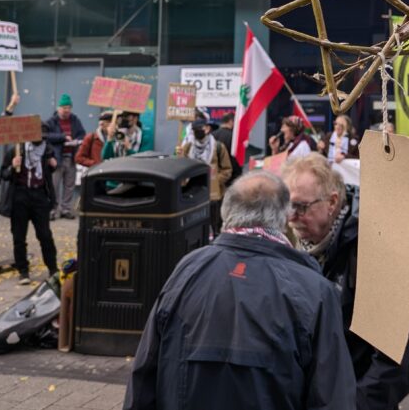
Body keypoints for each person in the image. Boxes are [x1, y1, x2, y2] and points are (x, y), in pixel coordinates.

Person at [124, 170, 356, 410]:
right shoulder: (314, 290)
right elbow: (332, 396)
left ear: (227, 212)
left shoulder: (187, 270)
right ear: (284, 217)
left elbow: (144, 377)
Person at [283, 154, 409, 409]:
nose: (291, 217)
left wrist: (353, 404)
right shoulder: (290, 248)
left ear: (332, 202)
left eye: (301, 207)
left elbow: (397, 358)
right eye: (287, 207)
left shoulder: (371, 251)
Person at [2, 123, 58, 284]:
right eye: (38, 138)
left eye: (43, 138)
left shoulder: (47, 151)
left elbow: (49, 172)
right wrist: (13, 166)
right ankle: (23, 271)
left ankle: (53, 269)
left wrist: (53, 166)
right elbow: (3, 174)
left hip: (40, 196)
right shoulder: (16, 149)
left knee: (45, 235)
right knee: (19, 236)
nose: (40, 141)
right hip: (20, 196)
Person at [180, 118, 233, 236]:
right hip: (193, 193)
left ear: (207, 129)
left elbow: (227, 169)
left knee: (214, 225)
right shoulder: (188, 147)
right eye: (194, 130)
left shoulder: (218, 147)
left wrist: (215, 181)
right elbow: (182, 168)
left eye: (200, 129)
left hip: (213, 195)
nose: (197, 132)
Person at [45, 95, 85, 220]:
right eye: (63, 108)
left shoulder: (75, 120)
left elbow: (82, 133)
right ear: (58, 108)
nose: (66, 110)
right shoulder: (51, 121)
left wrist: (77, 141)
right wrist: (62, 137)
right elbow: (46, 135)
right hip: (56, 157)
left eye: (68, 108)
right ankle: (53, 209)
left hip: (71, 156)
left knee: (69, 185)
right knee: (54, 185)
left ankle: (66, 209)